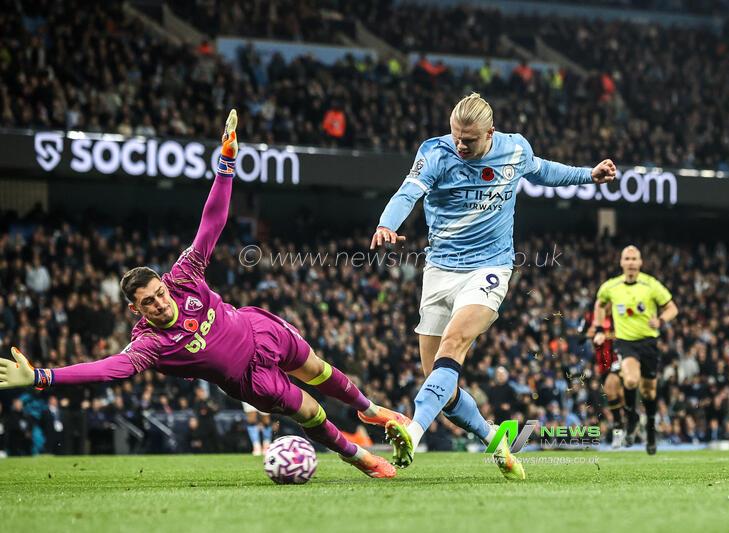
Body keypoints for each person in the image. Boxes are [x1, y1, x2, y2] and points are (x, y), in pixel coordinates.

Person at [0, 110, 405, 478]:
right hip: (252, 380)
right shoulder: (150, 343)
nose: (159, 302)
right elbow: (109, 369)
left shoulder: (183, 277)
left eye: (158, 293)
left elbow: (212, 223)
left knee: (317, 368)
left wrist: (226, 163)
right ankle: (359, 457)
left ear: (163, 284)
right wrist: (42, 376)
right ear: (135, 309)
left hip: (258, 328)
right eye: (148, 302)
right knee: (311, 410)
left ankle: (370, 410)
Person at [370, 92, 617, 479]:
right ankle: (493, 438)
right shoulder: (435, 152)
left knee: (453, 345)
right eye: (456, 136)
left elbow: (543, 171)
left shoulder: (514, 150)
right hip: (439, 271)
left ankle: (412, 434)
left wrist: (588, 174)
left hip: (489, 269)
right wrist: (387, 223)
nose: (460, 145)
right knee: (441, 387)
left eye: (469, 140)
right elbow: (408, 192)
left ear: (490, 133)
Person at [592, 245, 679, 454]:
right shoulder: (610, 287)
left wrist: (661, 320)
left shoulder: (651, 285)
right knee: (631, 380)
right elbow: (600, 305)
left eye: (634, 259)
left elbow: (672, 308)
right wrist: (599, 329)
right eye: (627, 259)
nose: (631, 262)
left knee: (649, 391)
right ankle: (631, 418)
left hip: (648, 343)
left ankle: (650, 431)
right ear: (621, 262)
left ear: (640, 262)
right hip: (625, 342)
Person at [584, 310, 624, 448]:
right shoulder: (593, 317)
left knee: (619, 394)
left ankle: (621, 430)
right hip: (604, 366)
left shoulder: (619, 315)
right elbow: (584, 333)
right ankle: (618, 431)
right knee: (612, 397)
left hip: (618, 362)